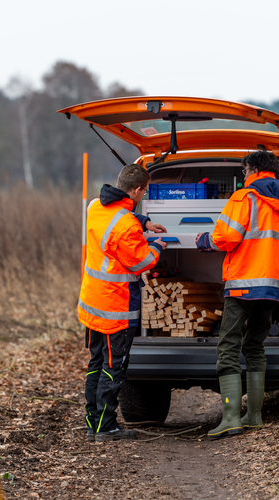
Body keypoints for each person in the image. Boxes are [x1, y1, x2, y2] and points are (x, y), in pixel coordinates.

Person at [196, 151, 279, 439]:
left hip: (243, 285)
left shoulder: (244, 198)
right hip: (272, 288)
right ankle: (254, 416)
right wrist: (275, 264)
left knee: (228, 348)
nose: (243, 176)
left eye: (245, 170)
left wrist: (204, 240)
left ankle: (231, 417)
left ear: (254, 169)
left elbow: (225, 238)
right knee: (255, 347)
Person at [80, 163, 167, 442]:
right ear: (139, 190)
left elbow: (114, 216)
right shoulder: (126, 223)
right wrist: (156, 245)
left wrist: (143, 223)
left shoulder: (95, 206)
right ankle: (105, 427)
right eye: (145, 191)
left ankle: (94, 420)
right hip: (113, 308)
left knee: (96, 363)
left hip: (92, 303)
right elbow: (141, 261)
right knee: (113, 368)